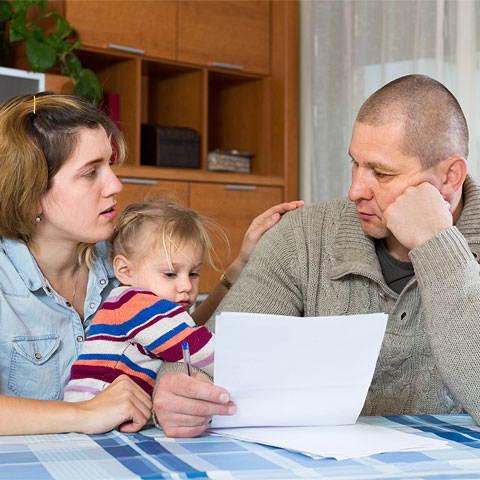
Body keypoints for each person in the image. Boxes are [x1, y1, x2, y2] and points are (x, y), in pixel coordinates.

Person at [153, 73, 480, 438]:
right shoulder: (302, 237)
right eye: (355, 163)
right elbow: (206, 362)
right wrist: (178, 390)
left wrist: (438, 244)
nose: (355, 189)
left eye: (382, 173)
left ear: (451, 176)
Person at [0, 91, 303, 435]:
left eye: (110, 166)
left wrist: (238, 267)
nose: (115, 184)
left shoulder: (116, 258)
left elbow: (173, 331)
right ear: (31, 192)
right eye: (90, 173)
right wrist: (83, 414)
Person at [63, 200, 217, 401]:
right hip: (92, 405)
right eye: (170, 274)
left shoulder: (141, 304)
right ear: (125, 271)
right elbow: (197, 347)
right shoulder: (135, 304)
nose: (186, 285)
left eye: (194, 273)